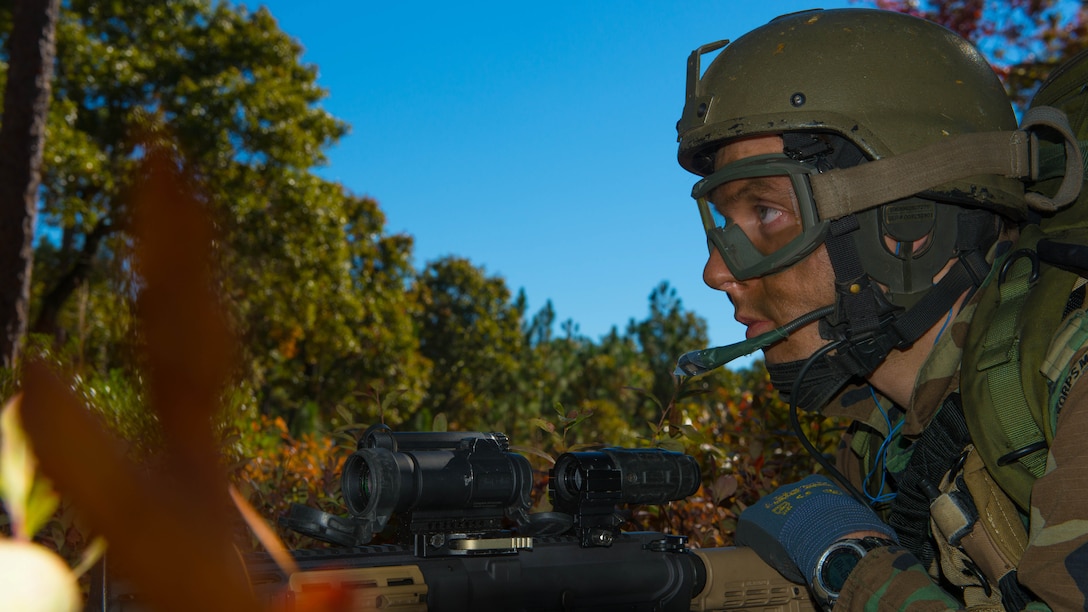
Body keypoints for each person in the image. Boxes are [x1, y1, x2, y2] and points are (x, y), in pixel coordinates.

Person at [674, 7, 1087, 611]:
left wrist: (852, 570)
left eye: (765, 213)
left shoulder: (1070, 372)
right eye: (724, 224)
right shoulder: (885, 440)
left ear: (906, 230)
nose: (716, 272)